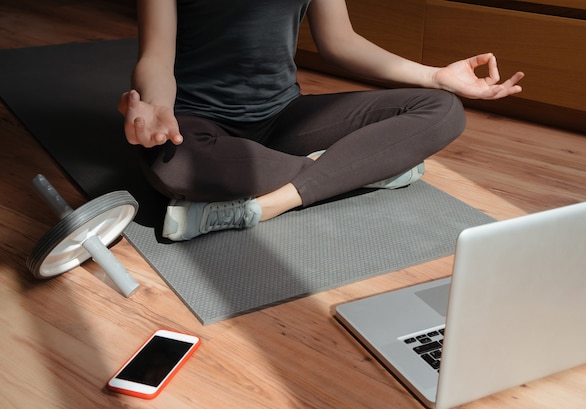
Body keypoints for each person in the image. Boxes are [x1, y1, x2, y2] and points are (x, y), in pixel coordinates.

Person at [118, 0, 524, 241]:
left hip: (283, 119)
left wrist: (435, 76)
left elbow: (340, 43)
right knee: (175, 166)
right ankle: (364, 168)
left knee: (444, 110)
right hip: (198, 124)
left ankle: (267, 205)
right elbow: (155, 57)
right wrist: (156, 107)